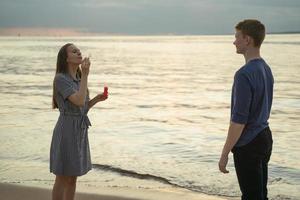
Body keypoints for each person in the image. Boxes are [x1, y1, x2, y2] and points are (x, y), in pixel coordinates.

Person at [218, 19, 274, 200]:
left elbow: (239, 120)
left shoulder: (244, 74)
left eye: (237, 37)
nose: (234, 41)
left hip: (249, 143)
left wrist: (225, 153)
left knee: (251, 196)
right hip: (265, 136)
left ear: (247, 40)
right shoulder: (266, 69)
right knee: (260, 195)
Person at [50, 43, 108, 200]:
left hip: (79, 131)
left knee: (73, 177)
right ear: (66, 58)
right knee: (62, 176)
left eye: (79, 51)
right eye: (74, 51)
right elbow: (79, 101)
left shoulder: (79, 78)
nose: (79, 52)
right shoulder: (61, 79)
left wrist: (96, 99)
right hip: (66, 130)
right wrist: (87, 75)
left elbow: (82, 108)